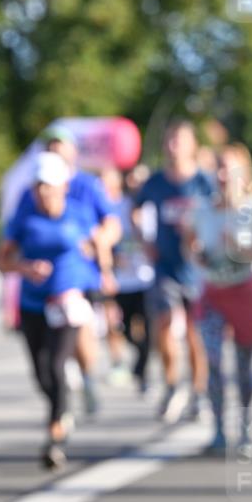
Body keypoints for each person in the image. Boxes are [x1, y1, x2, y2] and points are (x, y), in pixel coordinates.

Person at [0, 152, 94, 469]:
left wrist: (101, 272)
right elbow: (3, 260)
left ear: (63, 186)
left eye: (49, 186)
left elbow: (99, 242)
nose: (43, 192)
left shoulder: (79, 213)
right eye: (38, 186)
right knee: (40, 373)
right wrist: (25, 268)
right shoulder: (23, 218)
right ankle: (61, 408)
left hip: (66, 302)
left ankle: (55, 435)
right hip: (32, 303)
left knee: (56, 364)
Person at [15, 125, 121, 415]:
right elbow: (15, 234)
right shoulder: (32, 191)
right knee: (47, 356)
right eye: (51, 150)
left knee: (81, 330)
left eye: (61, 150)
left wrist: (100, 245)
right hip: (41, 282)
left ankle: (86, 377)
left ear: (72, 153)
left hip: (80, 272)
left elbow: (111, 224)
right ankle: (61, 389)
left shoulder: (87, 185)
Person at [188, 144, 252, 454]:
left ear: (244, 172)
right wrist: (199, 255)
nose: (223, 174)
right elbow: (190, 243)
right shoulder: (203, 208)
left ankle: (245, 428)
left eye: (229, 168)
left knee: (243, 366)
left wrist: (248, 247)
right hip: (213, 293)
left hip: (244, 291)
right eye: (219, 167)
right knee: (213, 361)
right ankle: (217, 431)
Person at [134, 120, 213, 423]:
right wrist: (144, 241)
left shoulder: (204, 182)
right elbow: (134, 209)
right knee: (164, 325)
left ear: (193, 145)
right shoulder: (155, 182)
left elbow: (221, 211)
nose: (172, 146)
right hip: (164, 266)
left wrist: (205, 238)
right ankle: (171, 385)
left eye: (179, 140)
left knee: (195, 333)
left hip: (197, 269)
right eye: (169, 140)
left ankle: (199, 391)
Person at [100, 165, 154, 391]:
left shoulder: (150, 210)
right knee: (120, 328)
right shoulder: (116, 207)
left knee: (148, 330)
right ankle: (122, 363)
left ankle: (142, 371)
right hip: (122, 281)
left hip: (147, 279)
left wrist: (140, 226)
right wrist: (112, 258)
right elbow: (107, 237)